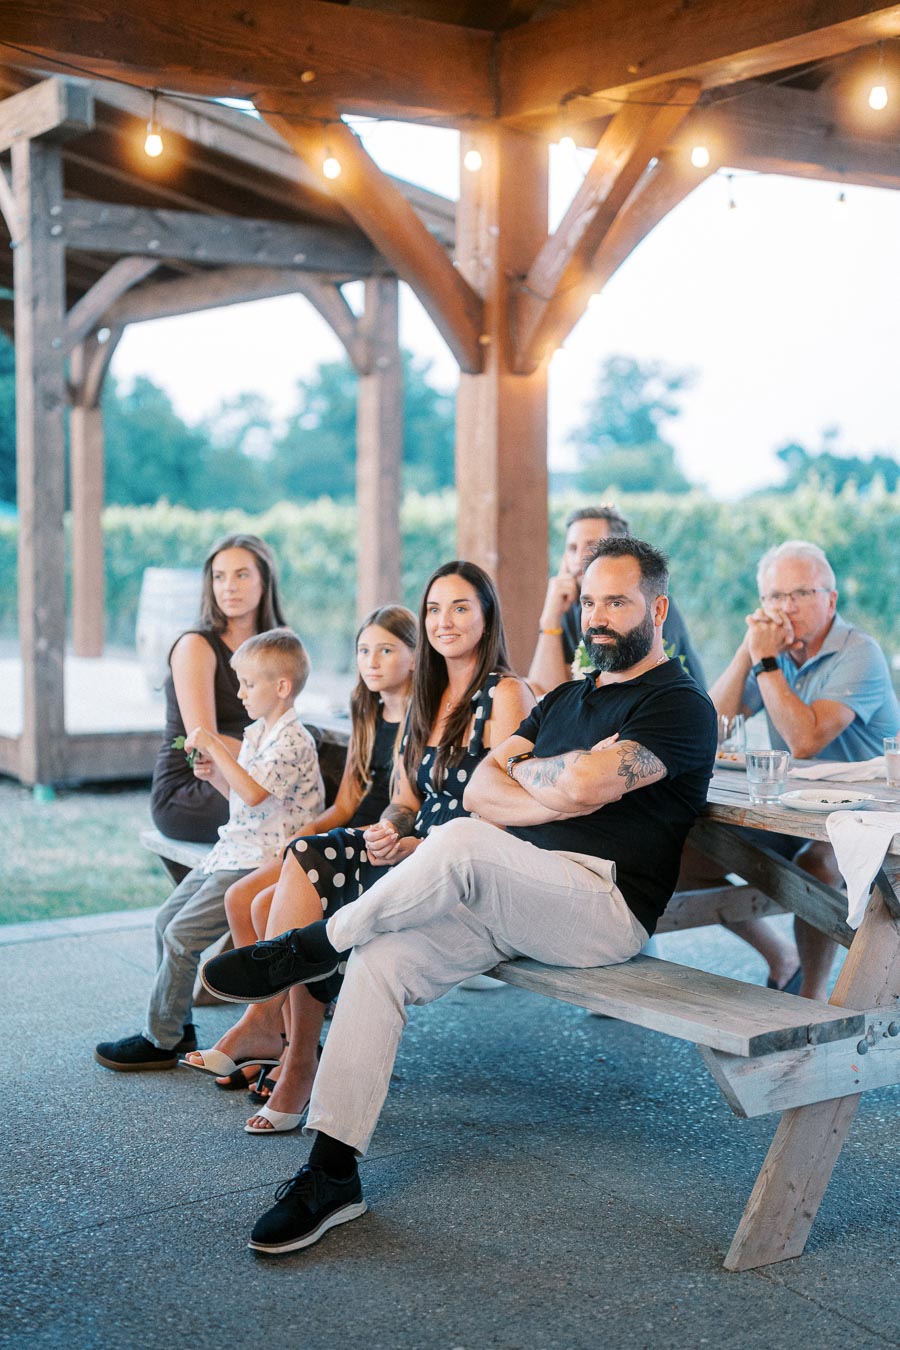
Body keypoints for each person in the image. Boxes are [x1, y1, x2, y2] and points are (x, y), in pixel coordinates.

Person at [199, 537, 717, 1252]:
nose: (597, 617)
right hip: (511, 891)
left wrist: (554, 784)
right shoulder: (567, 697)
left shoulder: (680, 703)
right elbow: (481, 786)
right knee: (382, 960)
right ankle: (331, 1171)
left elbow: (587, 785)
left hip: (603, 906)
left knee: (466, 840)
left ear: (656, 608)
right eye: (590, 601)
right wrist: (559, 791)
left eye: (617, 602)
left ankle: (313, 946)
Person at [183, 561, 535, 1132]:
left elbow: (499, 802)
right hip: (412, 848)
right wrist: (394, 827)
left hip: (463, 863)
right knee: (306, 857)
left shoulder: (505, 693)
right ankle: (285, 1041)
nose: (445, 621)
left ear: (487, 616)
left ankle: (286, 1047)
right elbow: (403, 795)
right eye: (434, 609)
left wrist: (418, 838)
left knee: (312, 888)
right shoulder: (431, 696)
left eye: (461, 607)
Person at [197, 604, 418, 1094]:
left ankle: (280, 1036)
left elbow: (405, 807)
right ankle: (274, 1033)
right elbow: (345, 805)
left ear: (415, 656)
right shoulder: (368, 712)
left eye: (386, 649)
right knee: (240, 898)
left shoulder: (423, 720)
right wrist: (302, 840)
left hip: (379, 844)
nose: (372, 661)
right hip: (341, 837)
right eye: (364, 650)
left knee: (263, 904)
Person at [94, 629, 325, 1072]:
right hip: (234, 849)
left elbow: (256, 795)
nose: (239, 694)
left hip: (263, 859)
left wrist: (218, 747)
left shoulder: (294, 740)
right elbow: (244, 797)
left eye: (248, 684)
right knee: (166, 921)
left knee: (182, 937)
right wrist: (214, 776)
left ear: (282, 687)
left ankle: (159, 1040)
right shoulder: (259, 733)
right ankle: (177, 1029)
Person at [706, 538, 900, 1001]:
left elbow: (806, 739)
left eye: (799, 594)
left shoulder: (860, 652)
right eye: (773, 597)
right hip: (794, 810)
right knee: (691, 854)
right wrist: (747, 652)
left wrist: (766, 661)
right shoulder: (772, 653)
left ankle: (809, 1005)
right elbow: (709, 729)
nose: (785, 608)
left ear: (830, 599)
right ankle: (781, 957)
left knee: (816, 865)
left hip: (871, 818)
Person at [149, 533, 286, 878]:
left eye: (242, 575)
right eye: (219, 576)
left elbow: (284, 723)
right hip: (193, 786)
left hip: (251, 776)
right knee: (297, 806)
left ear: (264, 580)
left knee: (311, 796)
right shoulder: (195, 646)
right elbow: (202, 741)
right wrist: (273, 760)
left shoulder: (279, 645)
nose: (229, 587)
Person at [528, 505, 705, 695]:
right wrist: (549, 620)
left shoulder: (646, 606)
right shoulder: (569, 606)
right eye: (572, 548)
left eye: (591, 547)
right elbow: (546, 695)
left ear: (619, 551)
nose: (579, 558)